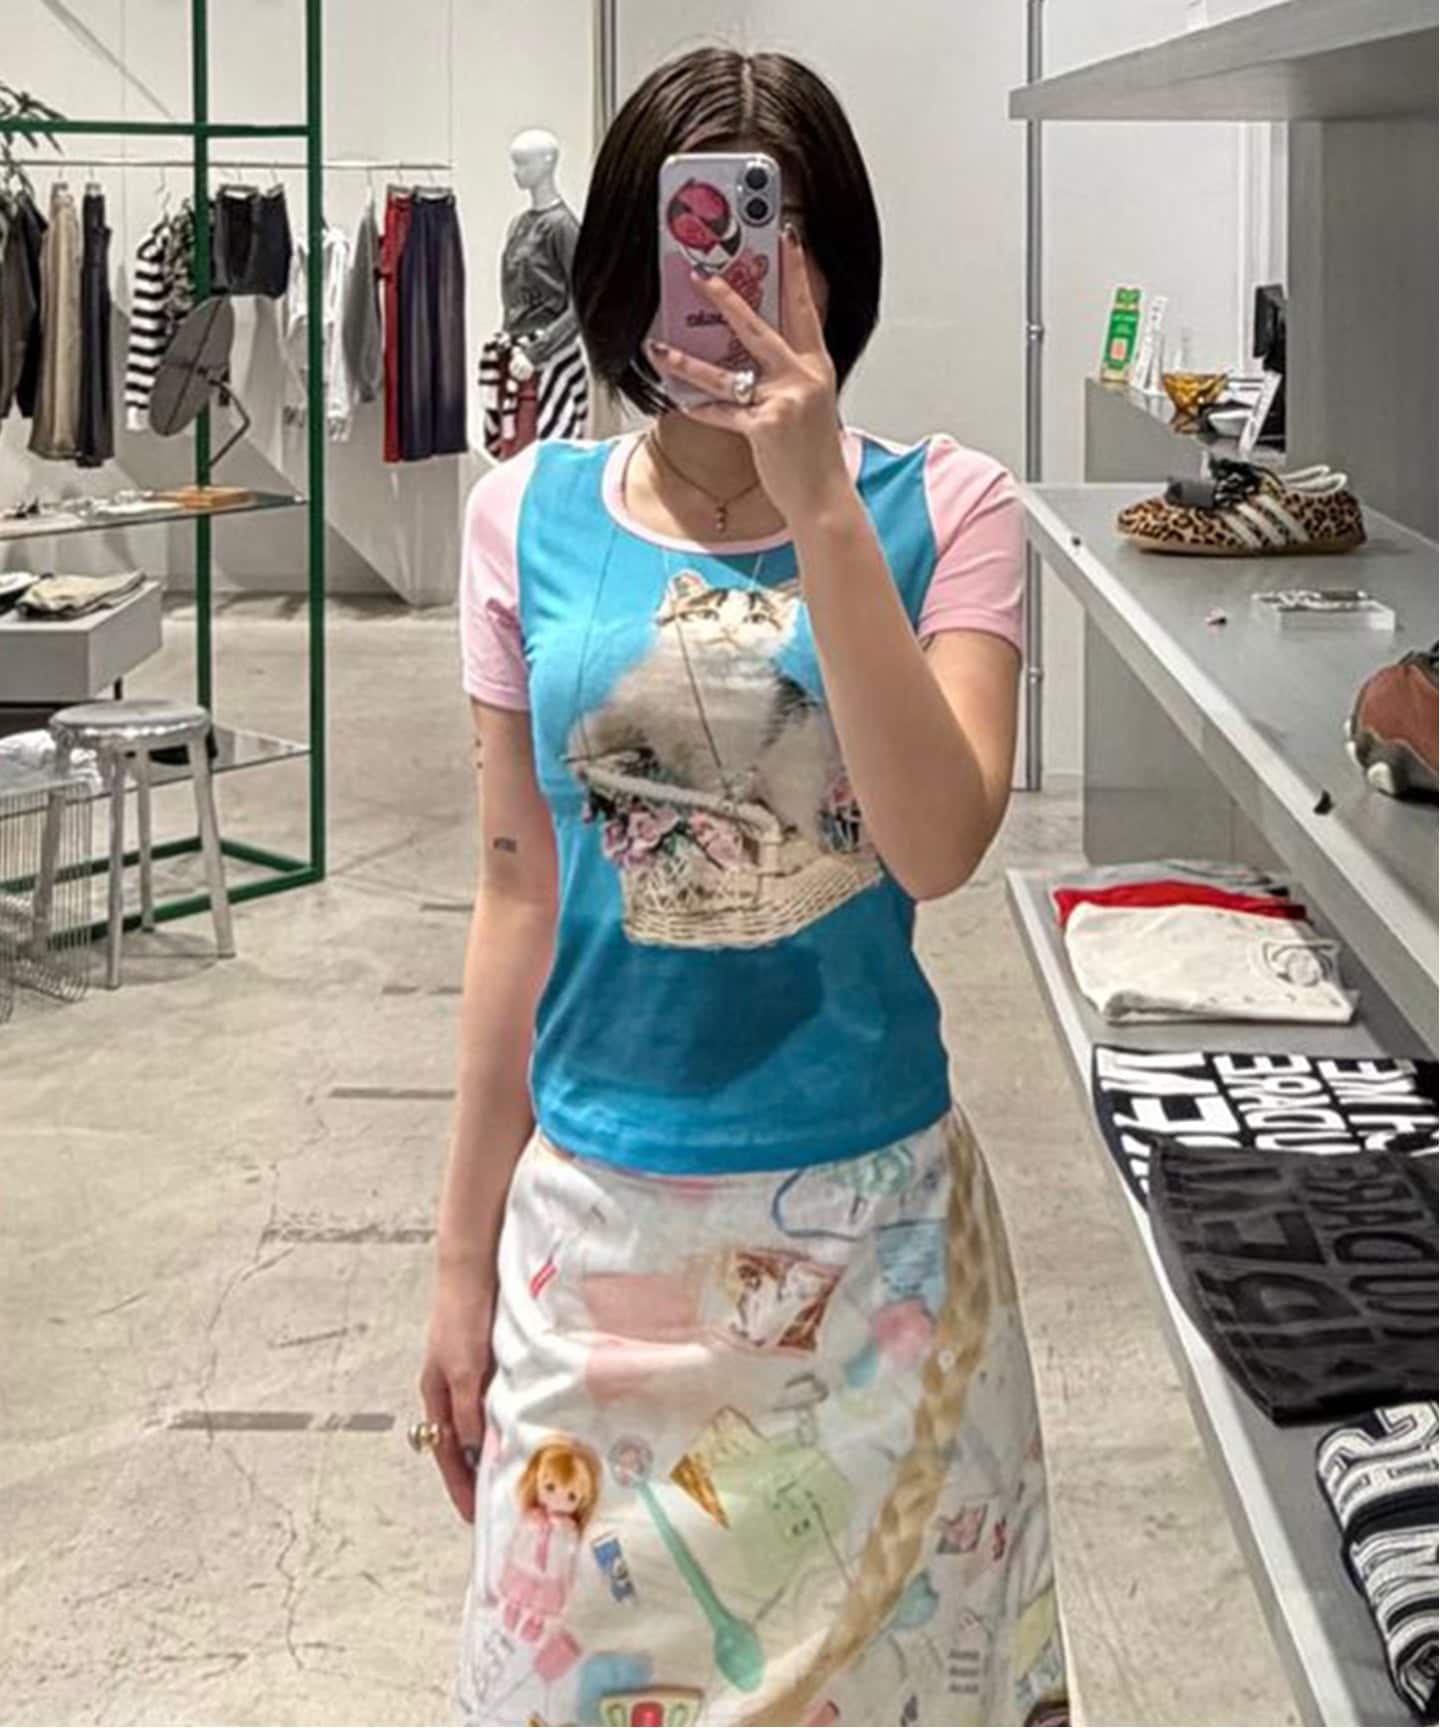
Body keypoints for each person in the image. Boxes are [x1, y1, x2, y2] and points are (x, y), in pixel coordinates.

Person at [422, 45, 1070, 1728]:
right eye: (687, 246)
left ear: (833, 270)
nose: (724, 292)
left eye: (765, 249)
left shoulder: (950, 510)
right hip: (595, 1243)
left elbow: (938, 842)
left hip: (875, 1260)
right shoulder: (520, 519)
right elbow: (515, 890)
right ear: (621, 272)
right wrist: (456, 1261)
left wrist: (820, 505)